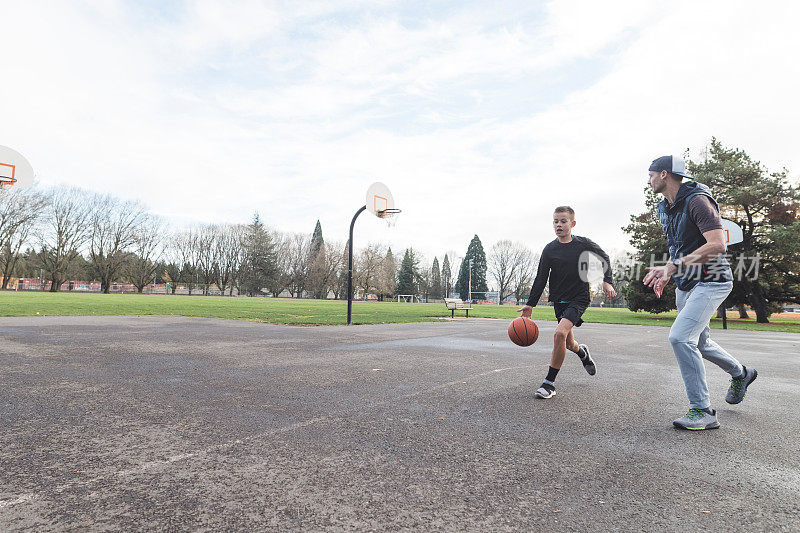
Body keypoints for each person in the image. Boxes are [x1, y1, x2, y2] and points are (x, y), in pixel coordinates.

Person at [643, 155, 757, 430]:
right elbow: (677, 246)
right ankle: (741, 373)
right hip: (687, 282)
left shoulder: (697, 201)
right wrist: (669, 273)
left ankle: (702, 410)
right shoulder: (664, 208)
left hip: (712, 280)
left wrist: (673, 266)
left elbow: (717, 244)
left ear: (664, 175)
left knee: (681, 338)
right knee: (701, 343)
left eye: (650, 175)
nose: (647, 181)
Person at [519, 206, 616, 399]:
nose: (559, 225)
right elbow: (540, 278)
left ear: (572, 224)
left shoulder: (582, 244)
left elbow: (604, 257)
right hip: (559, 301)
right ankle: (582, 352)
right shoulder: (549, 249)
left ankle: (549, 384)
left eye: (563, 221)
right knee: (568, 342)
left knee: (559, 334)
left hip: (579, 298)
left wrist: (607, 281)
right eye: (556, 221)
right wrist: (530, 304)